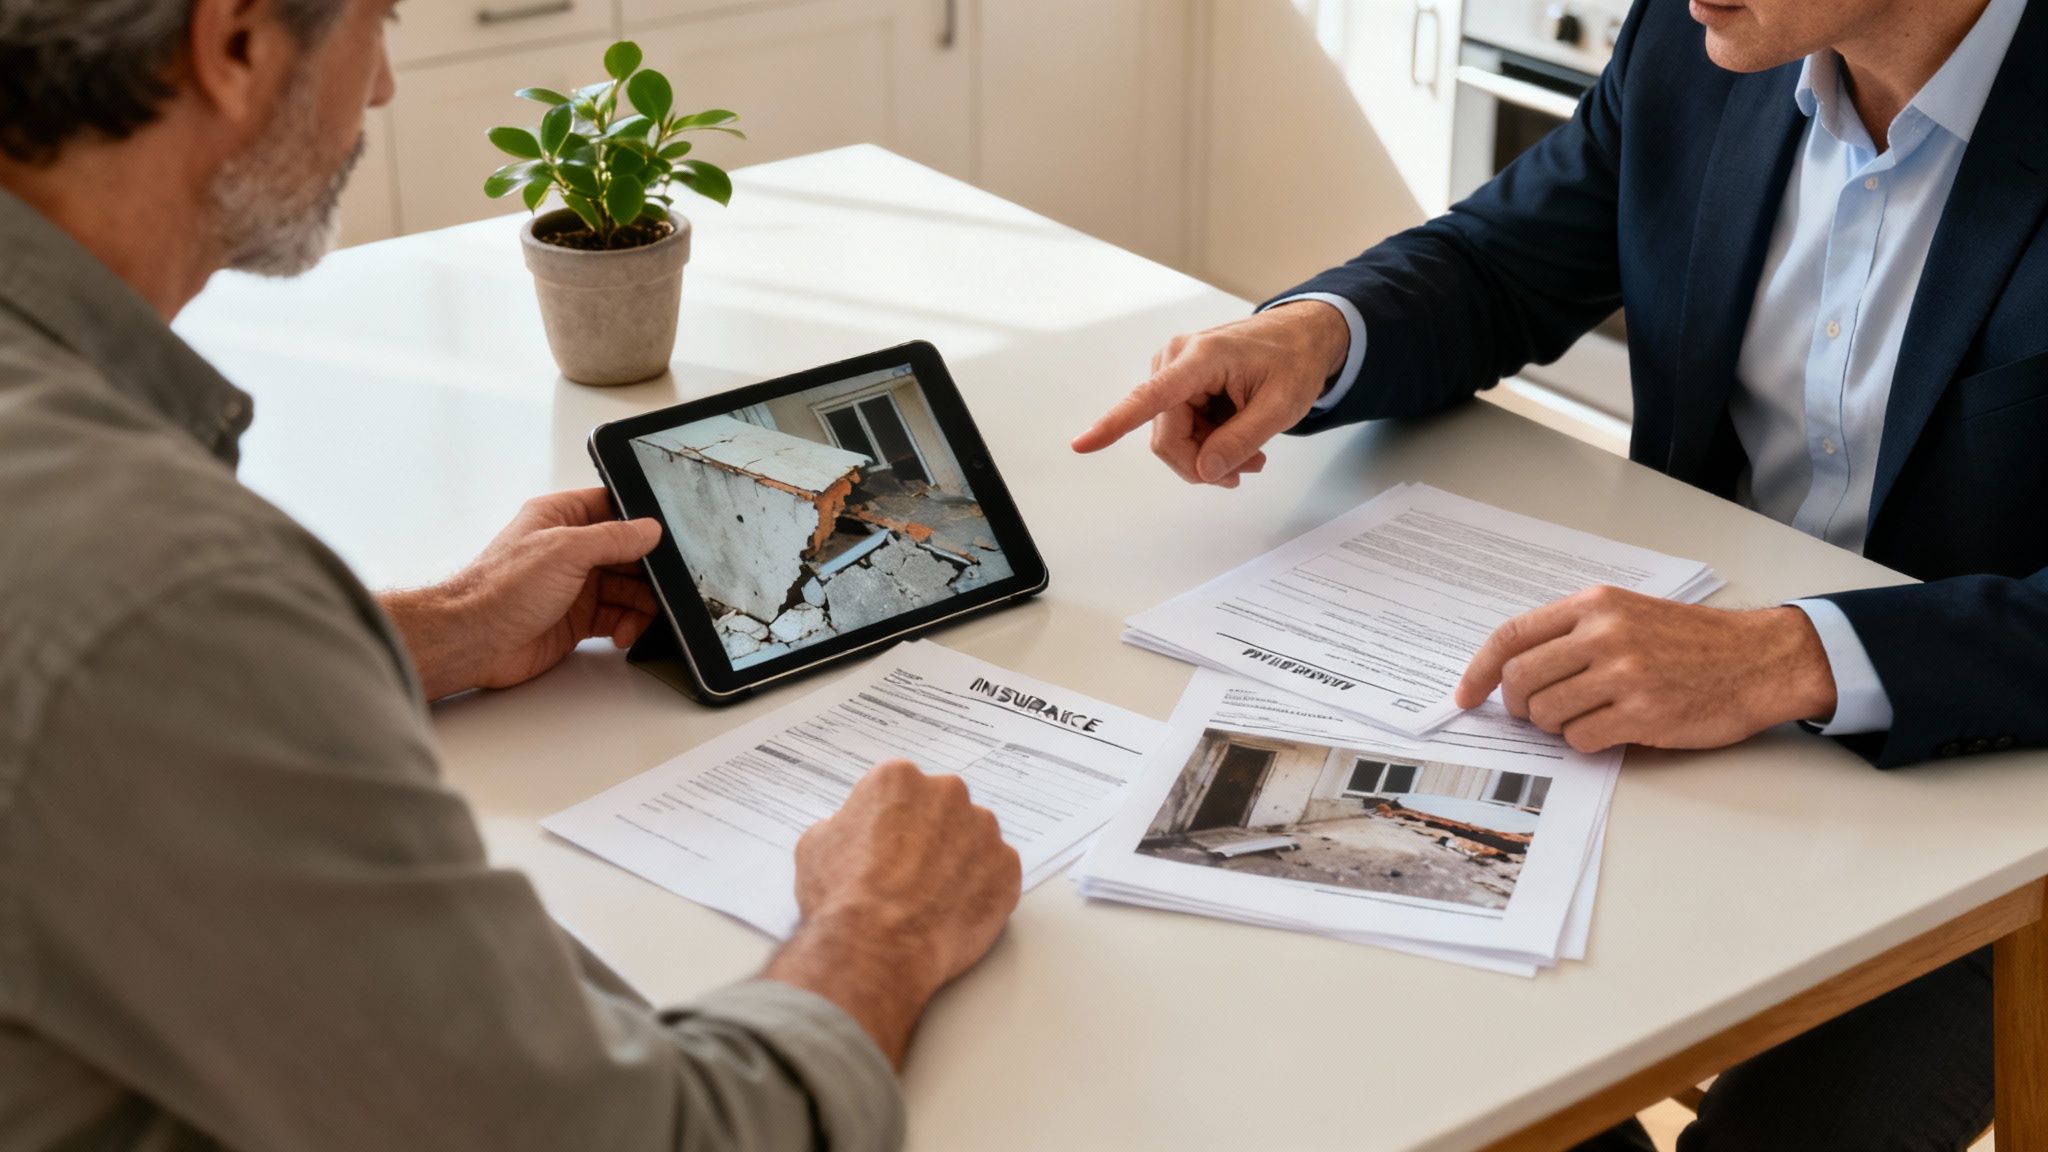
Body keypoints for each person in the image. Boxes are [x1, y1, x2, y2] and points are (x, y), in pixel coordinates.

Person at [0, 2, 1021, 1150]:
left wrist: (444, 624)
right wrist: (882, 923)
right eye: (377, 21)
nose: (382, 88)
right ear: (235, 44)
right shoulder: (155, 595)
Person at [1076, 0, 2040, 1145]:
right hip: (1674, 732)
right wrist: (1317, 334)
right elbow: (1498, 266)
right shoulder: (1694, 44)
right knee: (1388, 1037)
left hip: (1988, 794)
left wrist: (1791, 655)